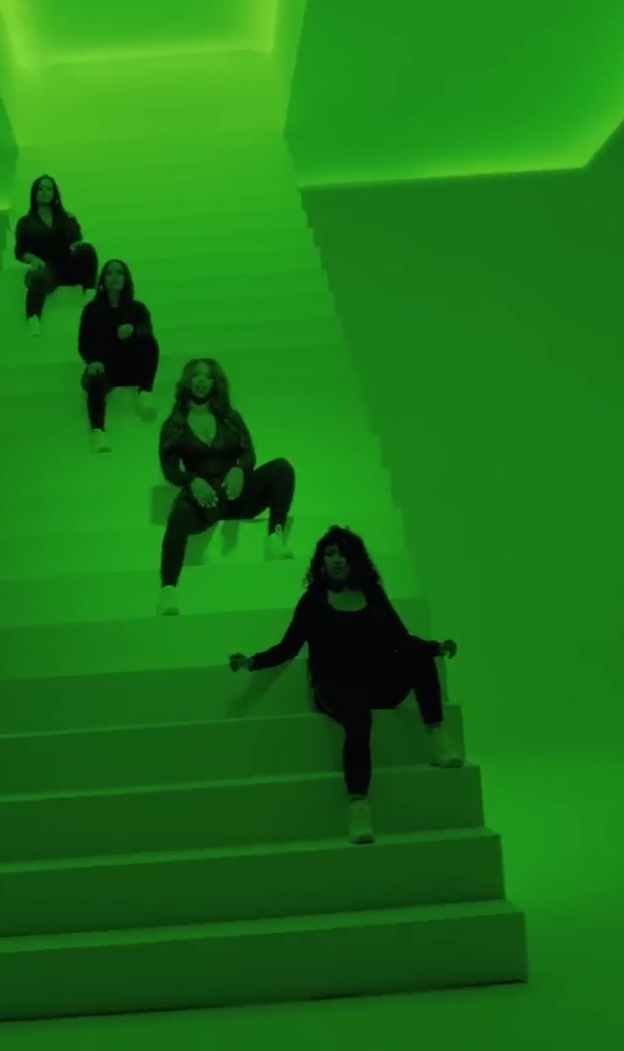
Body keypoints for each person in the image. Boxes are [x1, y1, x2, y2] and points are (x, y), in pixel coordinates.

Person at [228, 526, 462, 845]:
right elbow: (288, 647)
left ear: (355, 560)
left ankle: (437, 736)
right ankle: (358, 808)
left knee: (419, 657)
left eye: (344, 554)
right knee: (358, 717)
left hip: (376, 680)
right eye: (330, 554)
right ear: (321, 561)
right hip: (334, 686)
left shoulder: (372, 593)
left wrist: (434, 647)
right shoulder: (313, 601)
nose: (337, 560)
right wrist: (252, 661)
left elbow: (400, 638)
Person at [156, 358, 296, 616]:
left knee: (281, 468)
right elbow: (169, 467)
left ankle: (274, 538)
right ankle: (168, 589)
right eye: (196, 375)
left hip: (237, 495)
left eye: (208, 376)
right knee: (179, 514)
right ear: (187, 381)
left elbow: (248, 453)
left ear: (215, 383)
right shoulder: (174, 425)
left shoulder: (230, 417)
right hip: (206, 500)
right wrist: (192, 481)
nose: (201, 381)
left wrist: (239, 470)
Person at [78, 259, 159, 452]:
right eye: (110, 273)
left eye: (119, 272)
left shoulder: (137, 309)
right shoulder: (91, 310)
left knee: (149, 342)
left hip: (129, 368)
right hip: (103, 369)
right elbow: (84, 344)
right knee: (95, 378)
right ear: (103, 280)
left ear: (126, 279)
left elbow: (147, 332)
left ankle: (145, 392)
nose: (114, 277)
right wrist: (92, 361)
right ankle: (98, 432)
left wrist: (133, 329)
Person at [13, 174, 98, 336]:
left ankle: (89, 293)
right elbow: (20, 251)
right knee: (37, 276)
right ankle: (33, 318)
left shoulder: (67, 217)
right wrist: (33, 259)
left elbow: (76, 241)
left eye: (49, 188)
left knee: (88, 250)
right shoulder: (25, 222)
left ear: (54, 193)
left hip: (68, 265)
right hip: (46, 268)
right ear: (34, 194)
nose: (45, 191)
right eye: (40, 189)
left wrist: (76, 244)